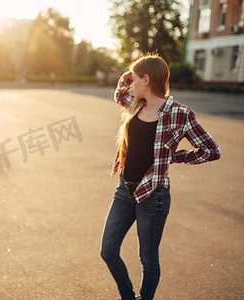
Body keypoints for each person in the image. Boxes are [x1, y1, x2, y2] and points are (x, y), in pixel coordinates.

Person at [100, 54, 220, 300]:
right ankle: (128, 296)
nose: (131, 84)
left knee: (148, 259)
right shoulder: (137, 103)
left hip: (153, 195)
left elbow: (212, 151)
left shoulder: (180, 113)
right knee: (108, 250)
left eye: (135, 79)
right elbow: (119, 94)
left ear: (146, 79)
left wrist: (175, 157)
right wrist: (127, 75)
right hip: (125, 189)